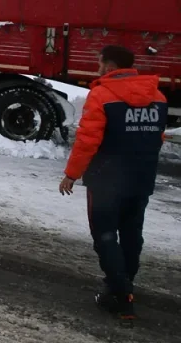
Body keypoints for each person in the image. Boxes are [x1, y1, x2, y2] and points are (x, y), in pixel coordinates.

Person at [58, 45, 168, 322]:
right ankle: (124, 284)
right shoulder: (157, 97)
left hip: (106, 180)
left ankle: (120, 296)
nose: (98, 68)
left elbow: (87, 141)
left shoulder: (102, 95)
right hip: (141, 178)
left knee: (105, 235)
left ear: (109, 66)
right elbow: (157, 138)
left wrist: (72, 174)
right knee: (132, 235)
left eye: (99, 63)